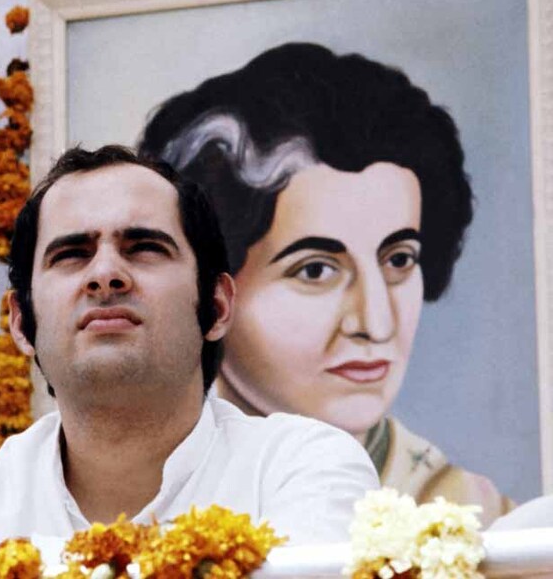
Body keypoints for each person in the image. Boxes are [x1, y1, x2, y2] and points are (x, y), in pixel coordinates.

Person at [0, 145, 376, 554]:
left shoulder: (301, 468)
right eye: (71, 254)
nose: (105, 274)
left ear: (218, 306)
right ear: (22, 323)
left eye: (145, 247)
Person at [138, 42, 509, 525]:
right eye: (315, 270)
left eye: (399, 259)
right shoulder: (135, 503)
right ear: (212, 296)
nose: (374, 323)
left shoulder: (476, 516)